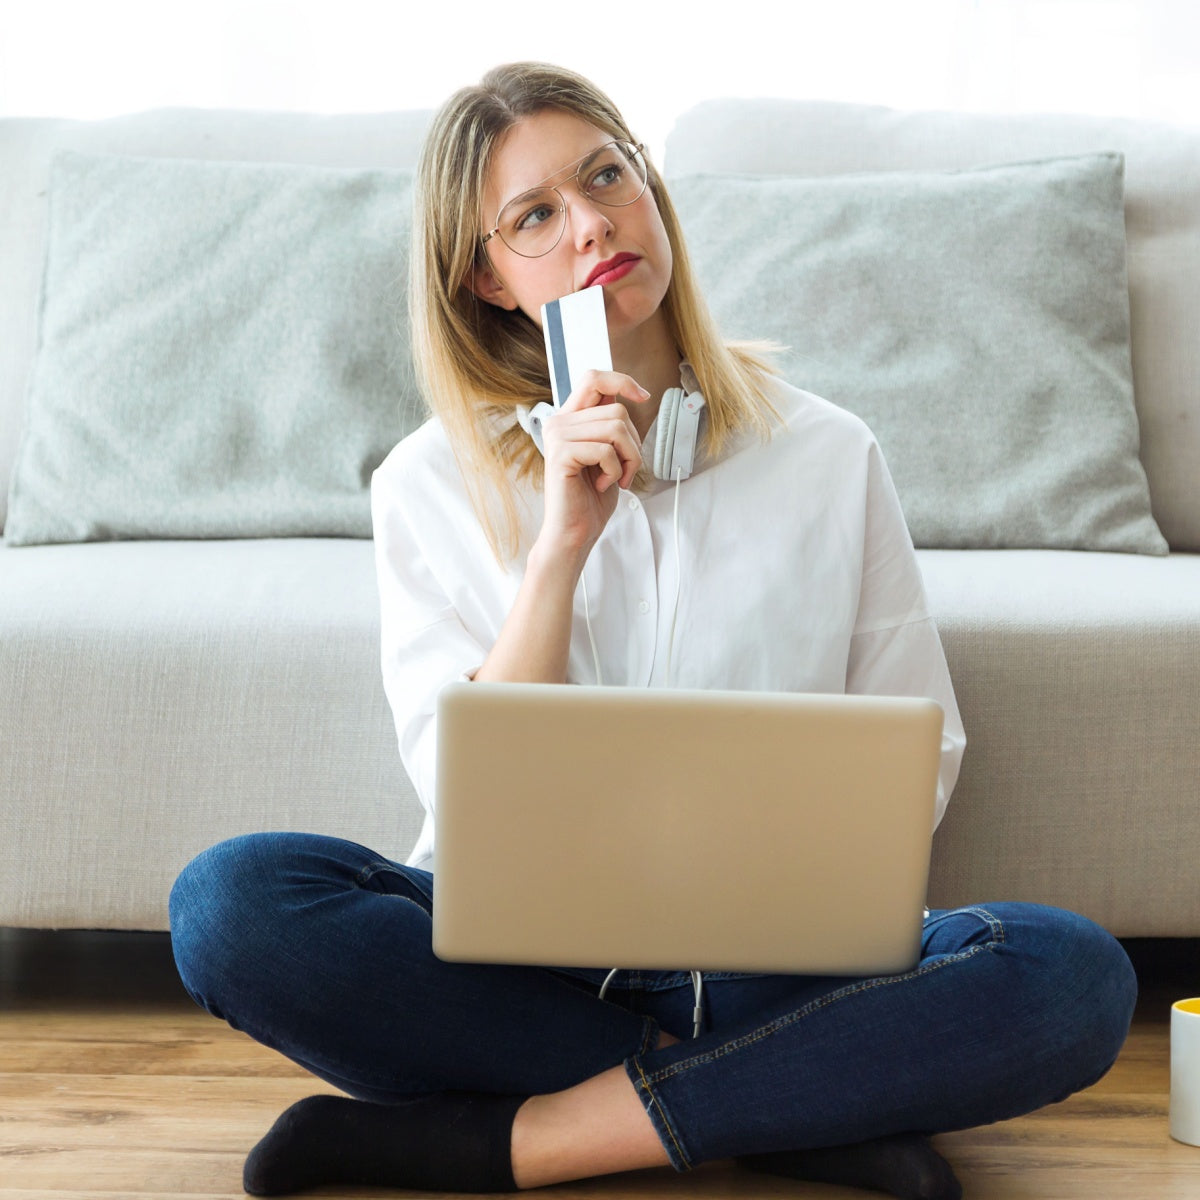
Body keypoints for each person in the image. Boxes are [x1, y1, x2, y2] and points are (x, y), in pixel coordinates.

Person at [169, 62, 1138, 1200]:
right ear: (486, 278)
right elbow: (467, 795)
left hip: (780, 968)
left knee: (1072, 976)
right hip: (524, 974)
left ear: (650, 188)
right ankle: (800, 1110)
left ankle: (512, 1141)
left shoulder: (828, 452)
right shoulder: (426, 482)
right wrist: (560, 548)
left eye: (605, 178)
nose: (590, 225)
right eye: (536, 216)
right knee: (230, 906)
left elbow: (918, 758)